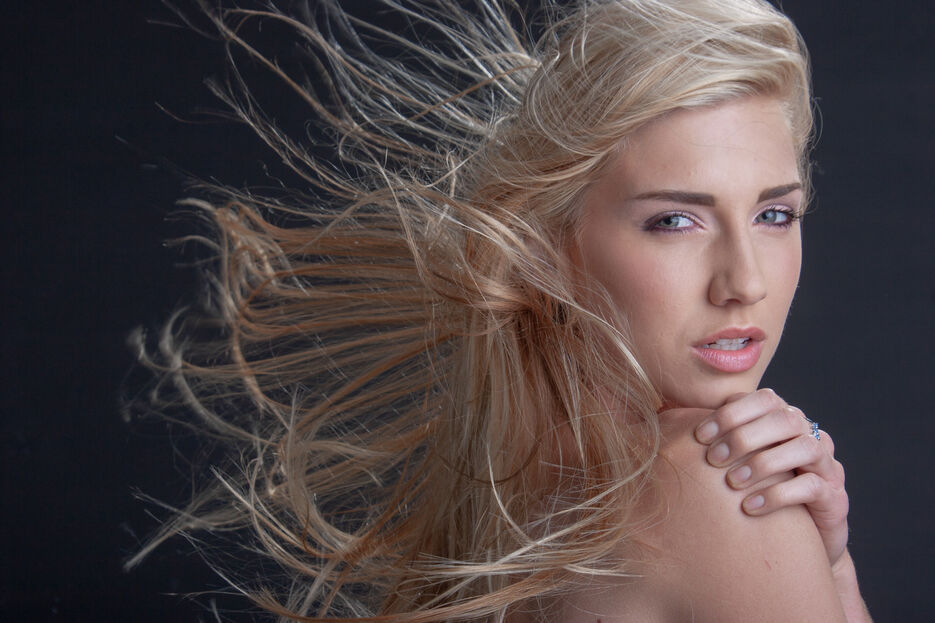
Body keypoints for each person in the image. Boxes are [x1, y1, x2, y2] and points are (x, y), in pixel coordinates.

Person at [128, 0, 872, 620]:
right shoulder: (722, 489)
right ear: (553, 245)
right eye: (674, 221)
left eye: (774, 215)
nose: (744, 281)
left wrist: (829, 565)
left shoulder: (517, 477)